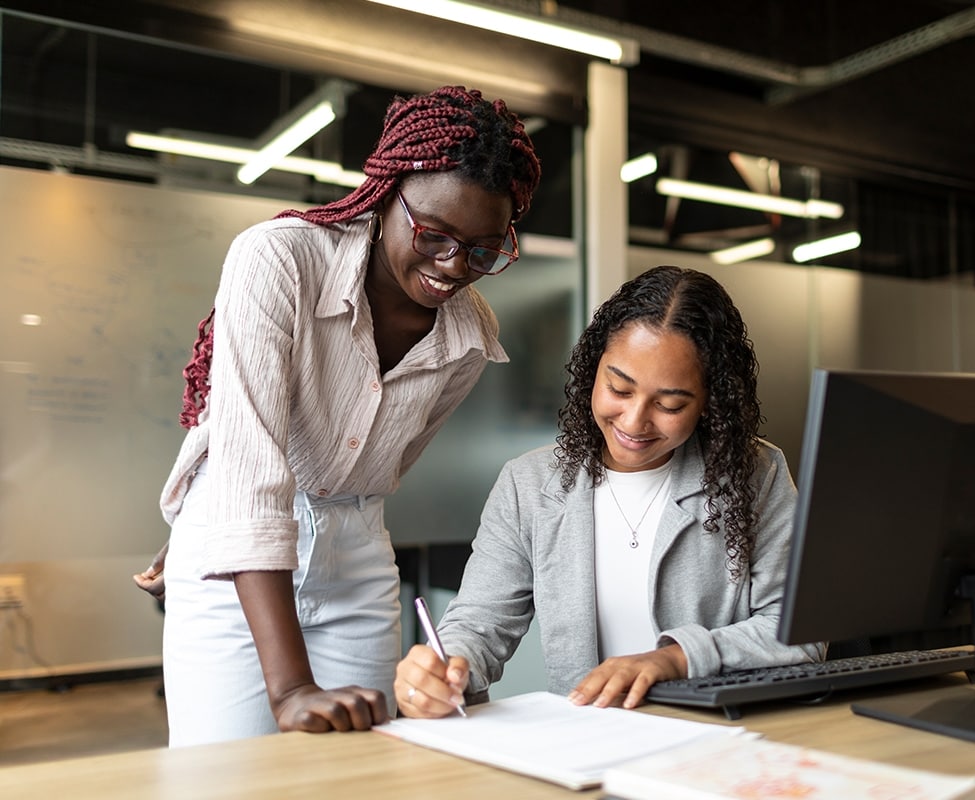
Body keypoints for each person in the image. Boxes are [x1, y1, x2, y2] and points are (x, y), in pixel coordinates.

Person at [135, 85, 541, 746]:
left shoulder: (470, 333)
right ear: (385, 192)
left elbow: (381, 464)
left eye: (483, 250)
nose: (452, 266)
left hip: (356, 556)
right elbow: (249, 461)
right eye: (434, 235)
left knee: (358, 774)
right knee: (226, 780)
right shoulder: (279, 259)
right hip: (238, 570)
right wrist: (291, 687)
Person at [394, 265, 823, 718]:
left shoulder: (754, 474)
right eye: (619, 388)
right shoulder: (530, 485)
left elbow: (799, 633)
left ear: (710, 401)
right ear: (593, 369)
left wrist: (675, 658)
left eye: (670, 404)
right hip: (589, 743)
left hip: (713, 738)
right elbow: (480, 624)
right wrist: (446, 668)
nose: (635, 422)